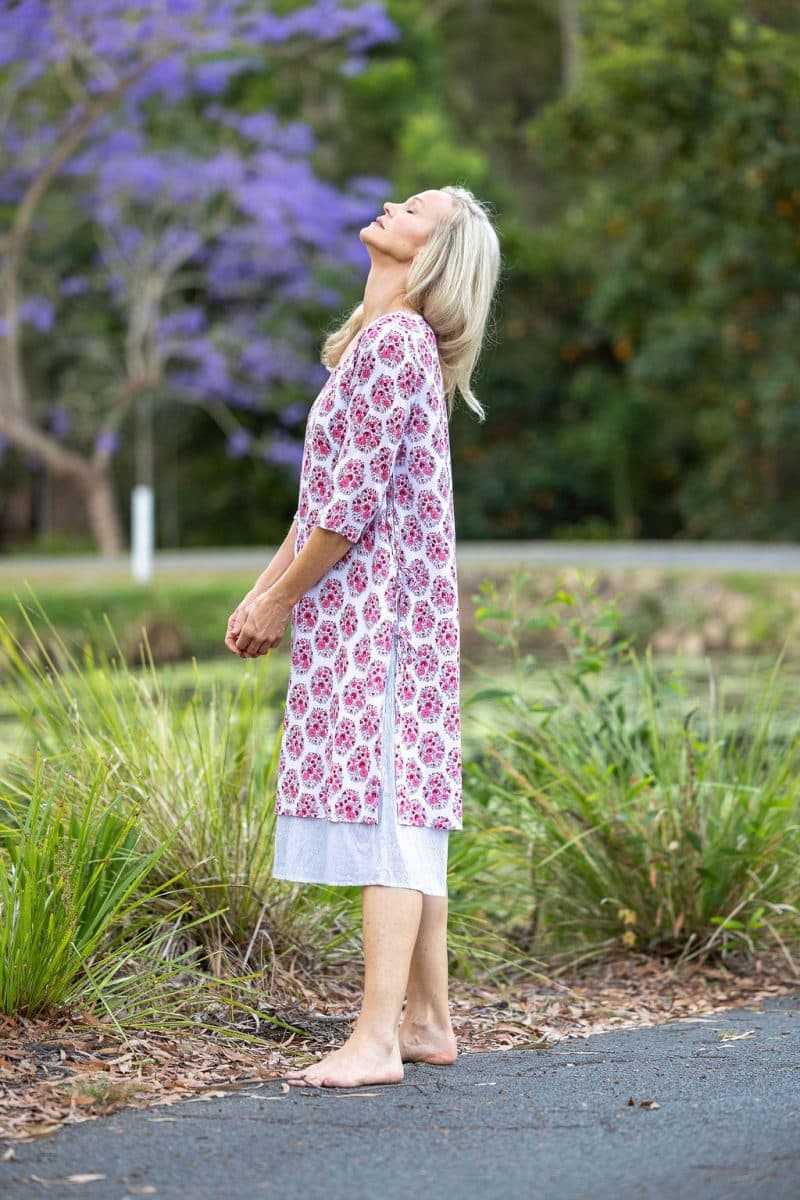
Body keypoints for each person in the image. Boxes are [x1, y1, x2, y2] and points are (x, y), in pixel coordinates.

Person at [224, 186, 501, 1088]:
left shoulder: (396, 344)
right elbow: (316, 506)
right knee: (407, 818)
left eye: (413, 207)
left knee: (390, 821)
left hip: (382, 622)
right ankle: (427, 1022)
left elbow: (349, 510)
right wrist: (265, 593)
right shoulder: (370, 346)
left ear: (436, 253)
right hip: (370, 620)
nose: (390, 204)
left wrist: (280, 604)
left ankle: (376, 1040)